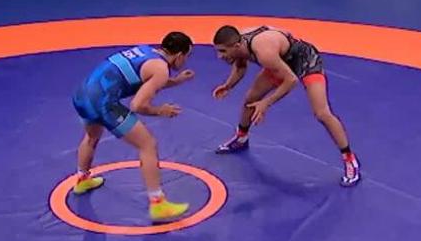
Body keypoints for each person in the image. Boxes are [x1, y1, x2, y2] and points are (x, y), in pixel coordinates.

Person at [211, 25, 361, 186]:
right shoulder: (239, 43)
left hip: (305, 60)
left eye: (223, 51)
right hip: (280, 61)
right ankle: (241, 138)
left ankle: (350, 159)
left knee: (322, 113)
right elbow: (240, 66)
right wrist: (228, 86)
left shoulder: (263, 52)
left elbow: (291, 80)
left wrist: (266, 103)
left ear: (236, 46)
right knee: (251, 99)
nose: (219, 56)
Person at [71, 32, 197, 222]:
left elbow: (149, 79)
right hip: (103, 102)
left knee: (91, 137)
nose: (186, 61)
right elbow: (137, 105)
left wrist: (177, 81)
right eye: (187, 56)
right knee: (147, 145)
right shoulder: (161, 69)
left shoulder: (145, 51)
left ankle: (82, 179)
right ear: (179, 55)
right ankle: (158, 203)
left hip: (82, 94)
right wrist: (160, 111)